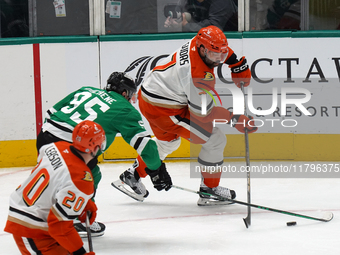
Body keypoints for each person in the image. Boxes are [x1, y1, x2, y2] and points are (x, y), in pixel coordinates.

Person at [117, 25, 258, 206]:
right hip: (165, 109)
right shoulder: (196, 76)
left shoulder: (199, 42)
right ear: (202, 49)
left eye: (222, 55)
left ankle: (133, 175)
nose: (219, 59)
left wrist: (236, 63)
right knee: (214, 139)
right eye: (216, 56)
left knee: (168, 143)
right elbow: (204, 115)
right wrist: (233, 119)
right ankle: (209, 189)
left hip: (153, 96)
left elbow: (220, 49)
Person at [36, 72, 172, 236]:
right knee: (91, 176)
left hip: (45, 136)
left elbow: (51, 112)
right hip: (72, 147)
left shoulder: (86, 90)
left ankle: (48, 211)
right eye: (130, 94)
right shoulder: (125, 109)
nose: (130, 99)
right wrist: (157, 170)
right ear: (124, 93)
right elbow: (146, 146)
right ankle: (80, 220)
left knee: (65, 175)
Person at [4, 120, 105, 255]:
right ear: (96, 147)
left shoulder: (55, 146)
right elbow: (59, 227)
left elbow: (53, 179)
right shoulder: (81, 180)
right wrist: (80, 253)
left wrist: (82, 201)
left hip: (28, 212)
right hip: (33, 228)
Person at [164, 0, 238, 32]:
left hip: (226, 42)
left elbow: (214, 25)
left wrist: (185, 25)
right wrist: (173, 24)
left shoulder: (221, 1)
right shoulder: (185, 1)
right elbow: (180, 17)